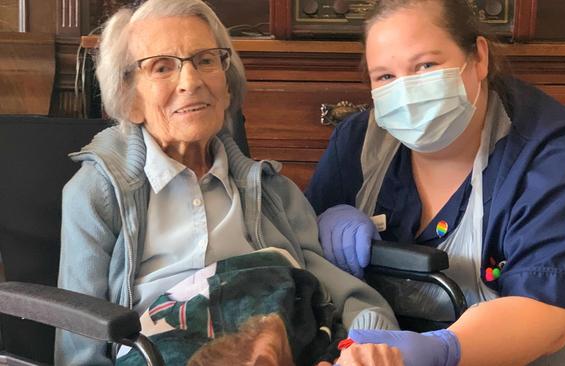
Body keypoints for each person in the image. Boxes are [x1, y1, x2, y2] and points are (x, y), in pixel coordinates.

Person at [305, 0, 565, 365]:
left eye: (426, 65)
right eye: (385, 77)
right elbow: (302, 262)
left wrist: (443, 350)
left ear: (479, 57)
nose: (405, 92)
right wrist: (317, 229)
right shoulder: (359, 146)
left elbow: (551, 317)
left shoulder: (562, 160)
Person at [55, 0, 398, 364]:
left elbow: (347, 298)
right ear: (130, 100)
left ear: (228, 86)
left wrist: (363, 347)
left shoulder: (273, 192)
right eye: (162, 67)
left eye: (205, 60)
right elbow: (80, 339)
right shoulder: (96, 194)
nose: (191, 82)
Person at [115, 249, 346, 366]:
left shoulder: (273, 187)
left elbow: (331, 280)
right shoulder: (100, 190)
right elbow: (81, 319)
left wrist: (367, 331)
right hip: (152, 330)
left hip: (284, 308)